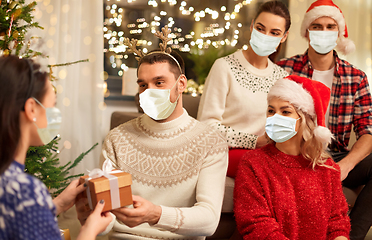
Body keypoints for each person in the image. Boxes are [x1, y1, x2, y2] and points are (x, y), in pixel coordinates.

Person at [77, 28, 229, 239]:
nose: (149, 92)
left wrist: (156, 214)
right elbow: (107, 218)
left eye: (159, 83)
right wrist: (90, 216)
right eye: (142, 85)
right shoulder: (117, 138)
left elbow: (209, 220)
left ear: (181, 84)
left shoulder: (211, 142)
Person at [276, 1, 372, 239]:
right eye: (317, 26)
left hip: (337, 156)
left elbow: (368, 131)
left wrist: (345, 167)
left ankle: (351, 235)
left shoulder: (356, 77)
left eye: (330, 26)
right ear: (307, 32)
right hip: (296, 153)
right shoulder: (284, 70)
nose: (323, 32)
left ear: (339, 33)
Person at [0, 55, 113, 240]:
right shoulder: (24, 190)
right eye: (52, 105)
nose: (55, 114)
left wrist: (57, 204)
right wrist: (89, 232)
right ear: (31, 109)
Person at [234, 75, 350, 240]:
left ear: (304, 119)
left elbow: (337, 223)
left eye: (285, 111)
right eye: (271, 110)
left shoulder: (327, 168)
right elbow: (257, 225)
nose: (275, 117)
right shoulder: (253, 163)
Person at [197, 0, 291, 178]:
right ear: (252, 26)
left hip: (266, 154)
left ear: (284, 37)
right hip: (226, 153)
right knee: (267, 168)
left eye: (274, 32)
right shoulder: (224, 67)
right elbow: (206, 126)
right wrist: (253, 141)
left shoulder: (281, 77)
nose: (265, 35)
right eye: (261, 28)